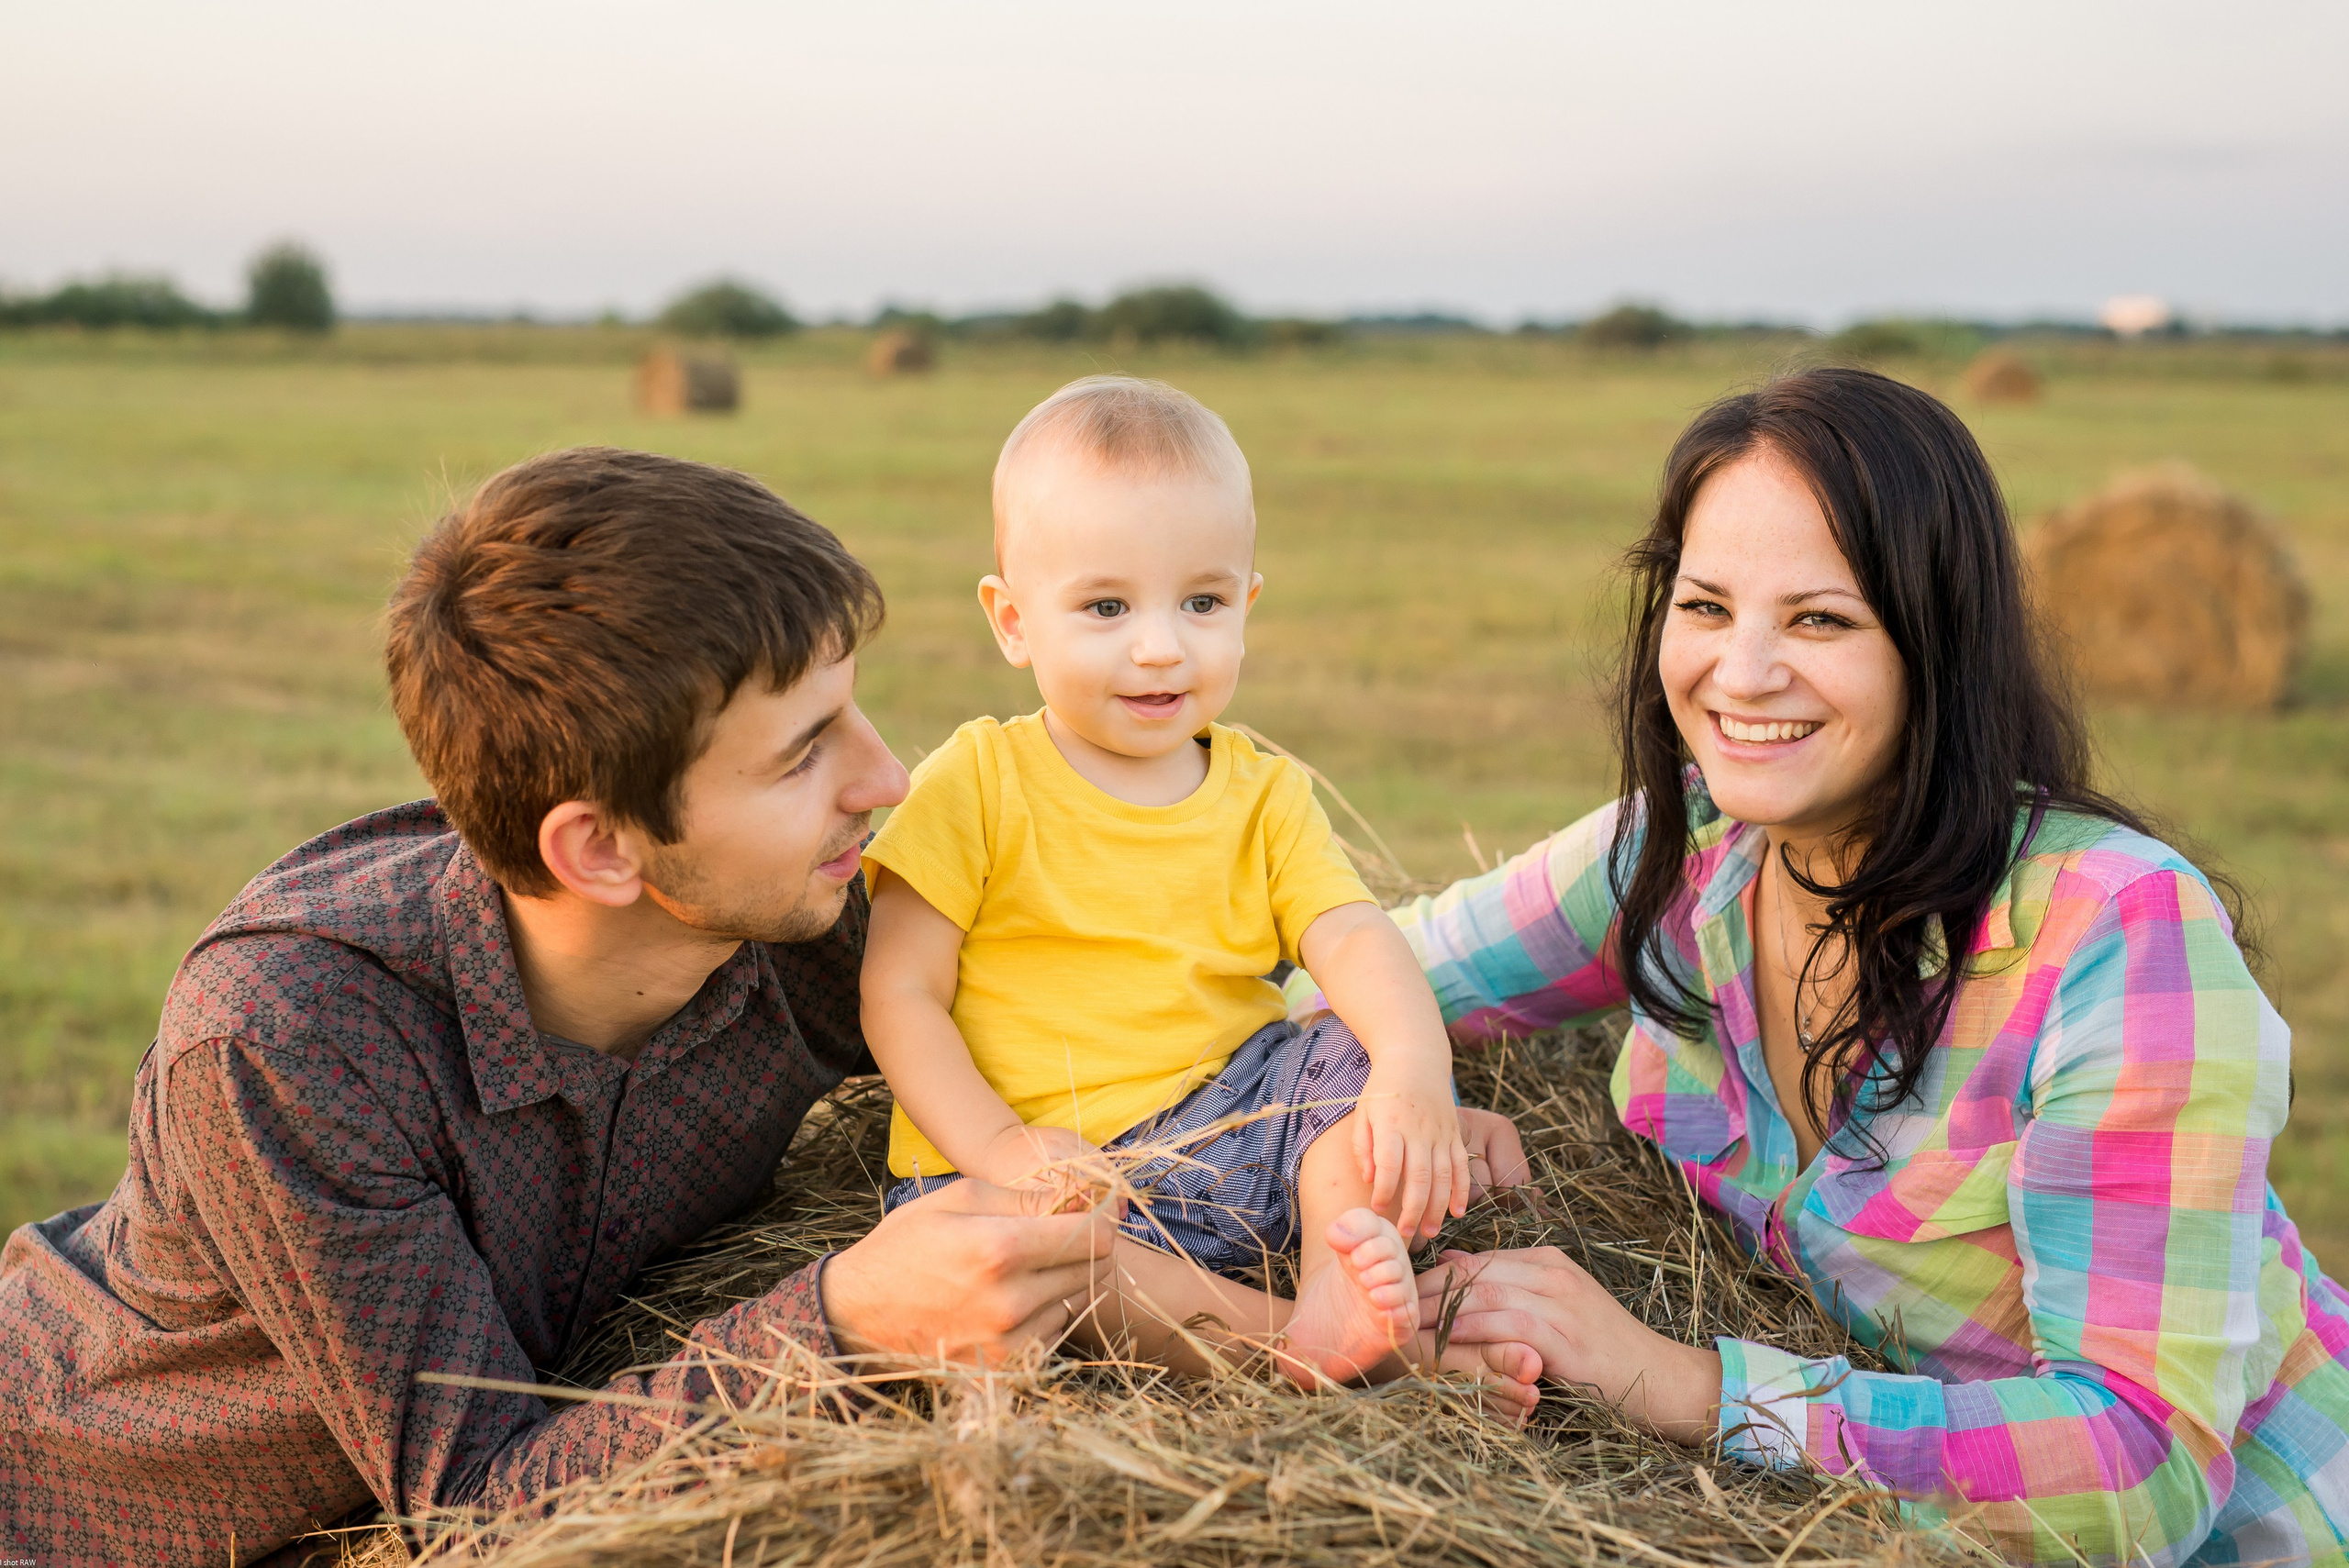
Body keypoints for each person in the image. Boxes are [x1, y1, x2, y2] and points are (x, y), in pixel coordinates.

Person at [0, 449, 1130, 1568]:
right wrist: (839, 1320)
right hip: (69, 1512)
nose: (886, 778)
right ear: (598, 848)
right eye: (800, 757)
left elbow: (1140, 995)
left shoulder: (818, 920)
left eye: (850, 708)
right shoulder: (289, 1040)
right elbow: (477, 1511)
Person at [1297, 366, 2349, 1565]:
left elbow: (2138, 1478)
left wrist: (1681, 1382)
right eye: (1705, 607)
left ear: (1937, 641)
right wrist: (1406, 1092)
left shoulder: (2118, 934)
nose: (1740, 674)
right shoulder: (1680, 852)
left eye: (1821, 619)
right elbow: (1361, 976)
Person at [859, 375, 1539, 1405]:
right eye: (1104, 606)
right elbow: (897, 991)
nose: (1160, 643)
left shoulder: (1264, 792)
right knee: (1033, 1257)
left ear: (1246, 606)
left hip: (1232, 1139)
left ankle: (1331, 1284)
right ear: (1011, 619)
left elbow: (1353, 935)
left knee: (1353, 1041)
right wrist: (1001, 1147)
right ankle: (1305, 1344)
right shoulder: (978, 782)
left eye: (1202, 602)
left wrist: (1412, 1064)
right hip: (1042, 1171)